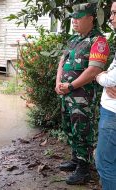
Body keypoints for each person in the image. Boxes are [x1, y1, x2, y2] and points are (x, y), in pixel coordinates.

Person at [55, 3, 110, 185]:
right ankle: (76, 159)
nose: (75, 21)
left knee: (83, 130)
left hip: (83, 98)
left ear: (91, 19)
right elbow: (62, 62)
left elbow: (94, 70)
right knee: (70, 128)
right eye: (73, 18)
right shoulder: (74, 39)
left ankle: (84, 169)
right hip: (67, 95)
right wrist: (58, 84)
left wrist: (70, 86)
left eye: (79, 17)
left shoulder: (98, 42)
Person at [95, 1, 116, 189]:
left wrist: (100, 75)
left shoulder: (98, 41)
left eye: (115, 13)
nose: (111, 17)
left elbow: (109, 80)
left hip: (113, 113)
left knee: (104, 162)